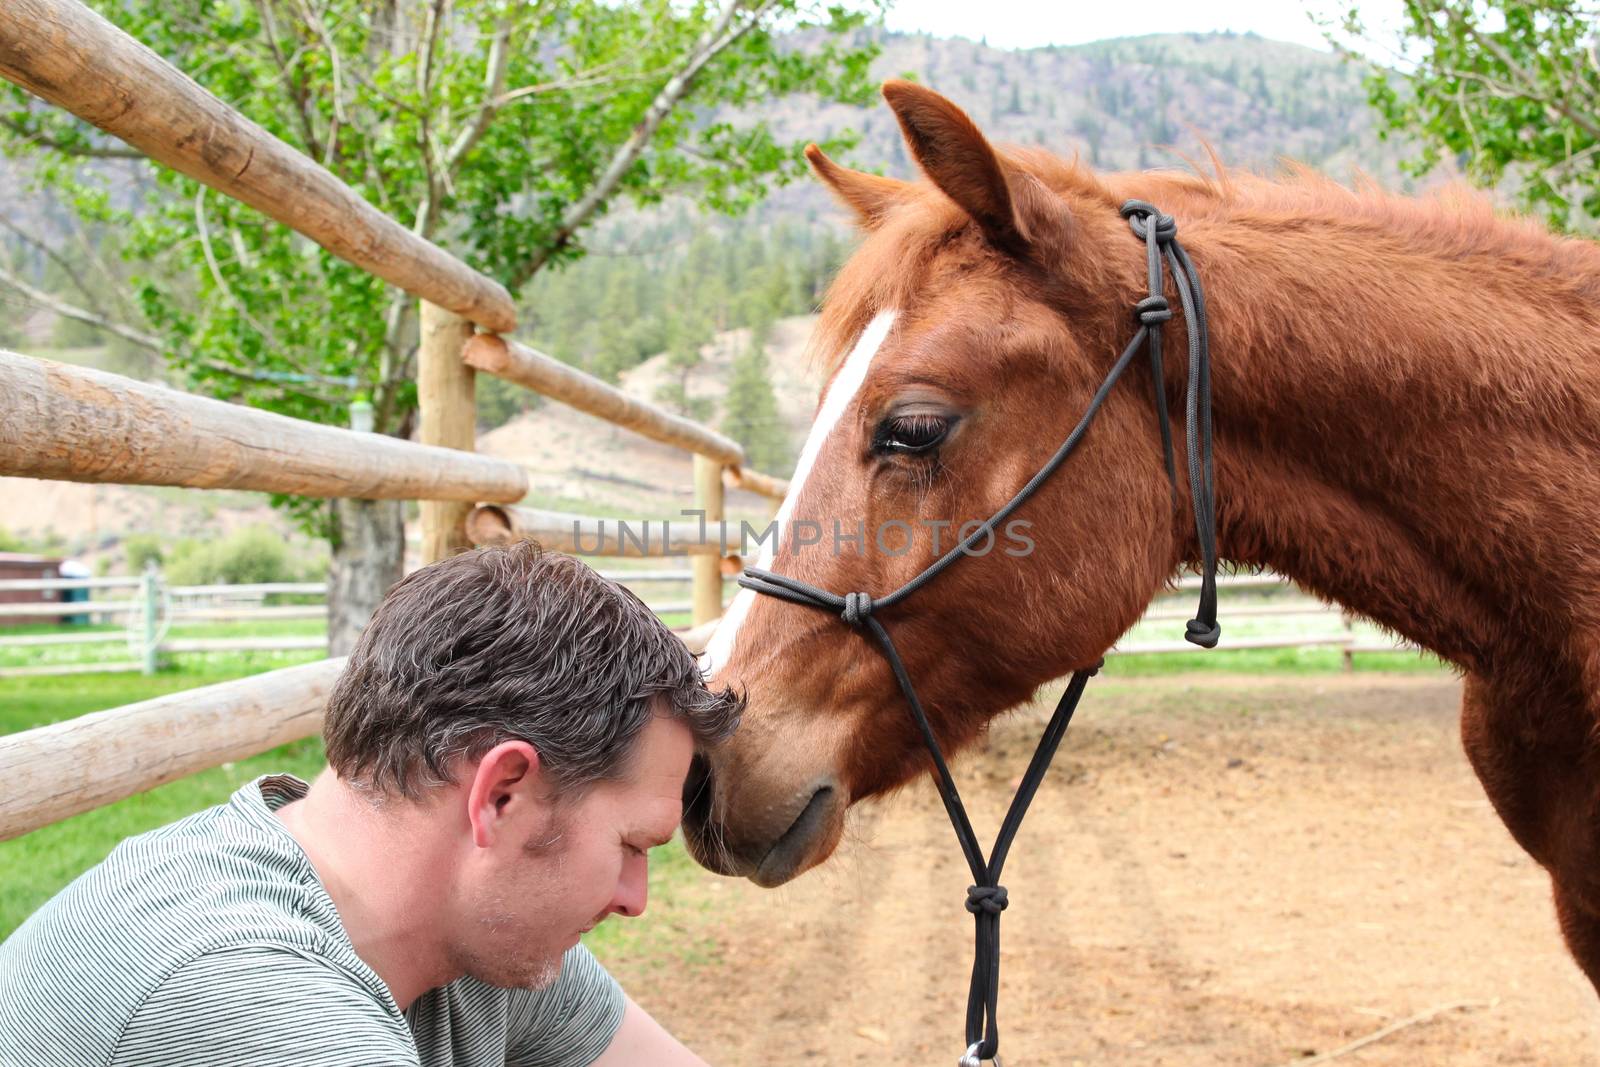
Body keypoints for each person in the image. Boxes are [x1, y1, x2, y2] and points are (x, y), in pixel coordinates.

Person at [0, 542, 743, 1066]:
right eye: (633, 845)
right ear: (502, 795)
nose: (634, 897)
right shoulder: (244, 995)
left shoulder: (481, 930)